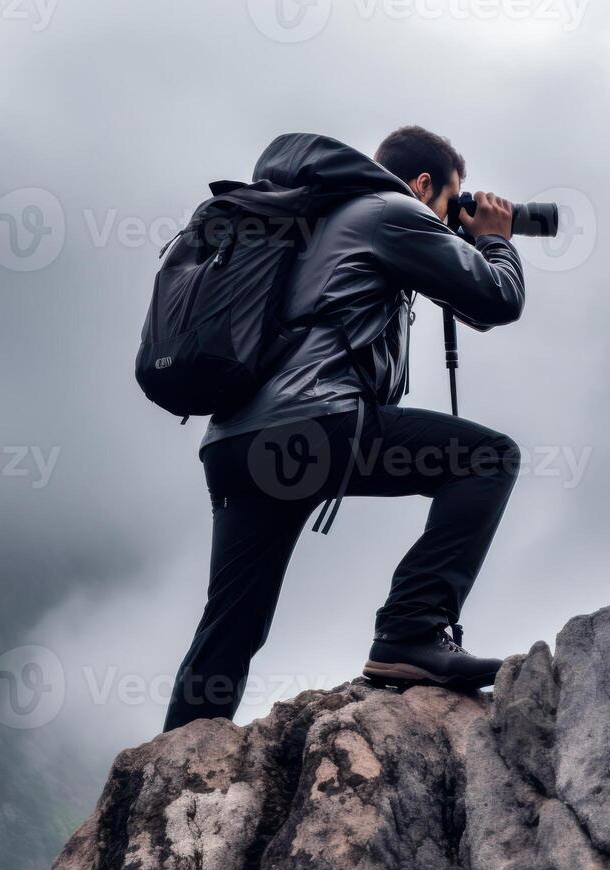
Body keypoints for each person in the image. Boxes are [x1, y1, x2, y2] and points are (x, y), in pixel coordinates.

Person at [163, 126, 525, 732]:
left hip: (237, 442)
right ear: (424, 184)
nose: (449, 216)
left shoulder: (313, 219)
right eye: (451, 200)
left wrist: (458, 239)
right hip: (314, 425)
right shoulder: (392, 211)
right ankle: (410, 631)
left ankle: (175, 762)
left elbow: (467, 307)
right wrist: (492, 240)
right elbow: (495, 298)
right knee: (488, 458)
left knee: (230, 626)